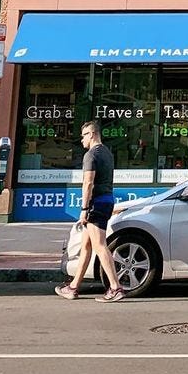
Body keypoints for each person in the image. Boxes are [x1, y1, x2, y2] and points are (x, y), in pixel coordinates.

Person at [54, 120, 125, 302]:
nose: (81, 140)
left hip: (96, 204)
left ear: (92, 134)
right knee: (86, 246)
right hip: (107, 200)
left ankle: (116, 288)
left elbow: (88, 183)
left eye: (84, 135)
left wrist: (84, 208)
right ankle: (73, 287)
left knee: (100, 246)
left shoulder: (91, 155)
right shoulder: (107, 153)